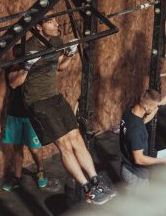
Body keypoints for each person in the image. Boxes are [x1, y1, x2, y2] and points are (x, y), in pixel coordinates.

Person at [8, 17, 114, 204]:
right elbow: (13, 83)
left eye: (56, 20)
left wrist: (70, 54)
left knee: (77, 139)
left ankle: (96, 181)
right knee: (65, 144)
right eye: (51, 21)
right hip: (37, 102)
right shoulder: (26, 48)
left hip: (55, 97)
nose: (57, 24)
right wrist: (26, 66)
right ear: (39, 26)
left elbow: (60, 68)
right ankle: (88, 189)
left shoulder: (56, 41)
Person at [119, 89, 166, 216]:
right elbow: (139, 159)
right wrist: (162, 161)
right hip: (135, 173)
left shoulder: (129, 113)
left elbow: (142, 121)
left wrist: (158, 104)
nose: (155, 108)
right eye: (154, 106)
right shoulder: (136, 131)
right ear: (147, 107)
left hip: (128, 169)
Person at [0, 45, 48, 191]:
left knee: (35, 148)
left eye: (21, 54)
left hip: (32, 115)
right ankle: (16, 178)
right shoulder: (8, 70)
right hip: (14, 115)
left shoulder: (34, 69)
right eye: (16, 54)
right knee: (17, 149)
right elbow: (0, 96)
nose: (18, 57)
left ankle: (41, 170)